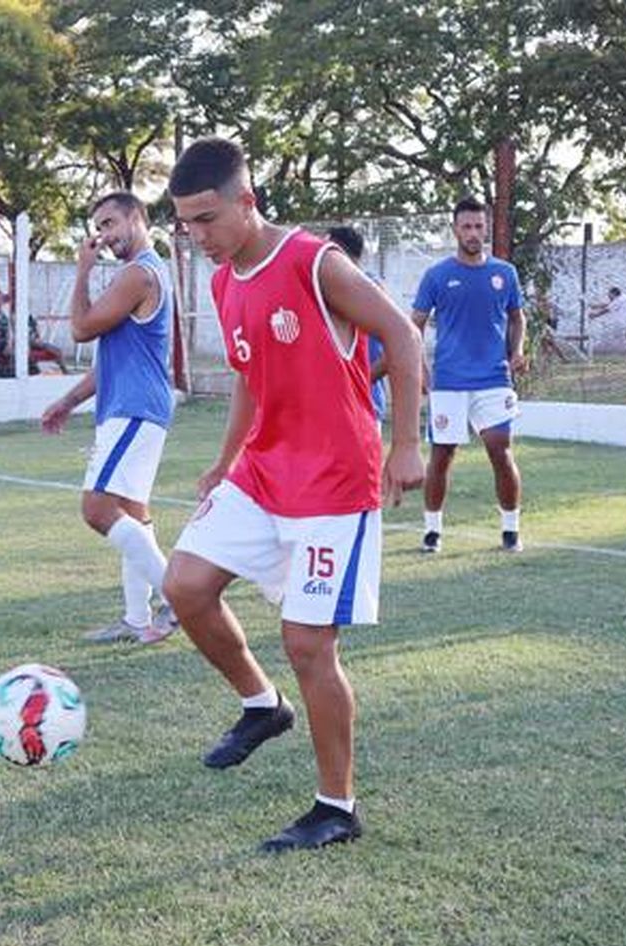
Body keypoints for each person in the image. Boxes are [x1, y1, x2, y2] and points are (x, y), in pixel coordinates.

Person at [160, 137, 424, 853]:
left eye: (208, 219)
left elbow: (400, 334)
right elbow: (251, 372)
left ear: (247, 202)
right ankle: (260, 705)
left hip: (334, 482)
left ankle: (336, 807)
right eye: (186, 223)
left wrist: (405, 444)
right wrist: (224, 462)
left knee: (308, 644)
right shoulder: (221, 280)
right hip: (263, 471)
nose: (197, 237)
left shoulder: (314, 262)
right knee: (184, 583)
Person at [39, 192, 178, 645]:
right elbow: (110, 362)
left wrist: (80, 270)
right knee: (133, 515)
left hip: (135, 409)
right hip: (132, 405)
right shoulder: (134, 275)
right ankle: (138, 622)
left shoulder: (139, 273)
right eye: (98, 226)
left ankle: (177, 596)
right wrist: (68, 401)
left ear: (137, 219)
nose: (103, 235)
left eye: (111, 222)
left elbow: (80, 328)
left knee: (98, 509)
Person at [411, 196, 528, 553]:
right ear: (455, 230)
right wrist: (421, 371)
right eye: (467, 226)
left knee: (500, 450)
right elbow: (413, 326)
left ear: (486, 228)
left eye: (479, 226)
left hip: (493, 379)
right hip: (448, 381)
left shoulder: (504, 273)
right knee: (442, 456)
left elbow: (516, 317)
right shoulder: (437, 275)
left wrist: (517, 350)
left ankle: (510, 529)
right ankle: (432, 531)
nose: (474, 233)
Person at [327, 226, 391, 421]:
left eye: (325, 250)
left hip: (364, 408)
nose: (317, 255)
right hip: (328, 407)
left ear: (338, 253)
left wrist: (359, 380)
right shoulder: (323, 289)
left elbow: (398, 347)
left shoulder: (369, 289)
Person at [588, 286, 626, 365]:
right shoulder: (623, 298)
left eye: (609, 295)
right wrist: (596, 306)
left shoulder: (619, 300)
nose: (608, 296)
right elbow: (609, 305)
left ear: (613, 294)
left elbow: (607, 310)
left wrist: (594, 315)